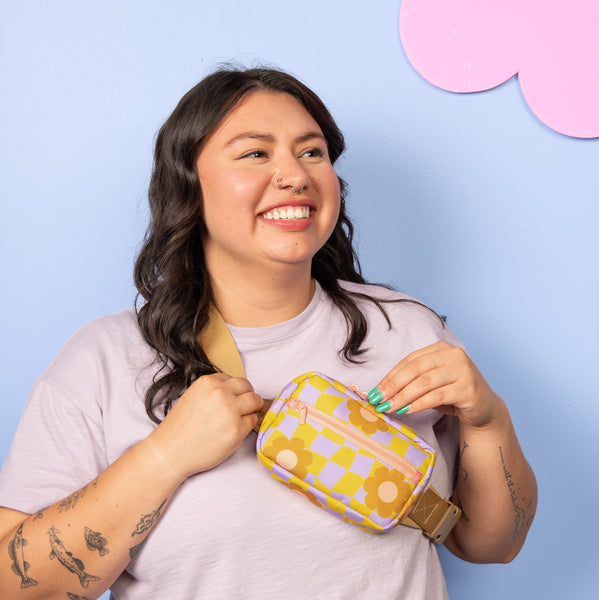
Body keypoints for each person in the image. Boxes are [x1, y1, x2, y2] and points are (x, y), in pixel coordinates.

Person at [0, 66, 536, 600]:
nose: (295, 174)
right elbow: (12, 585)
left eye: (312, 152)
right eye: (256, 153)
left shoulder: (409, 331)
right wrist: (165, 456)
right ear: (188, 183)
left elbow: (493, 545)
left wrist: (489, 421)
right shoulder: (104, 361)